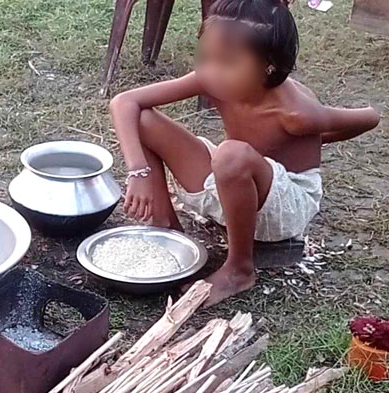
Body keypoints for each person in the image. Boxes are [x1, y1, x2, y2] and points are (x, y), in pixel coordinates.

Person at [109, 0, 380, 306]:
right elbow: (125, 103)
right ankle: (166, 226)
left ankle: (239, 268)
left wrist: (313, 140)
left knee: (230, 155)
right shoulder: (212, 78)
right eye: (205, 57)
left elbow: (369, 117)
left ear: (269, 66)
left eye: (228, 62)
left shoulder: (297, 113)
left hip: (286, 204)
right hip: (233, 176)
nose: (211, 71)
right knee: (144, 120)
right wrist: (138, 171)